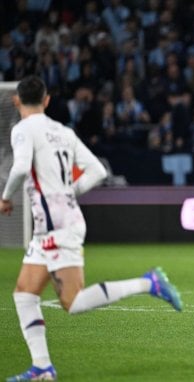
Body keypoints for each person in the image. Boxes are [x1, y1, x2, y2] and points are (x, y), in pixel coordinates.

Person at [1, 76, 183, 382]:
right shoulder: (63, 132)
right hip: (53, 226)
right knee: (24, 294)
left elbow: (20, 167)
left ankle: (148, 283)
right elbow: (97, 171)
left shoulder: (22, 129)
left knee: (73, 302)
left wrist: (6, 198)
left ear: (16, 101)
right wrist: (69, 192)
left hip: (57, 228)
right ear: (46, 101)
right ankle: (42, 367)